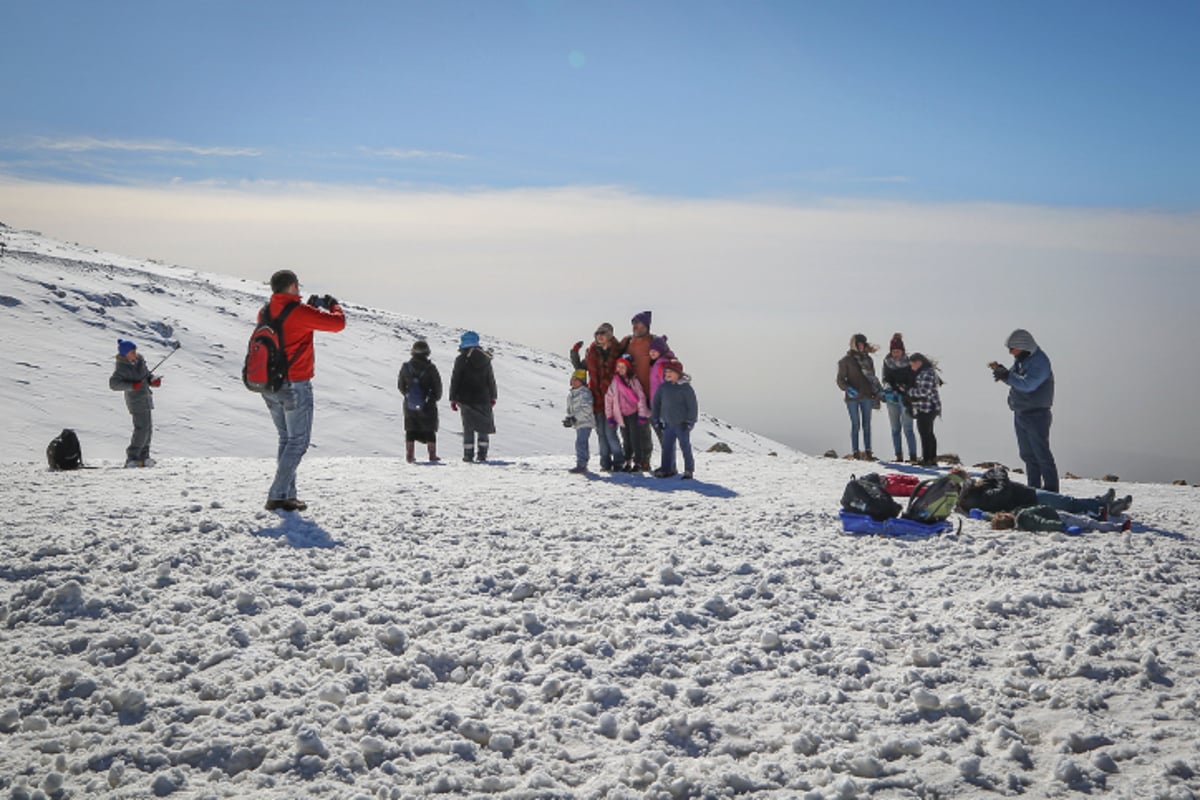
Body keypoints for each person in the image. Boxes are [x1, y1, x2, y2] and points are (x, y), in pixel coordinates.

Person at [259, 270, 345, 511]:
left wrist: (306, 308)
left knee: (286, 439)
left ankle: (287, 495)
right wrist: (333, 305)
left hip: (270, 384)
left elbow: (287, 329)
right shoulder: (301, 313)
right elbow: (338, 324)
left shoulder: (264, 311)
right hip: (295, 384)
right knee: (298, 443)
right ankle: (277, 494)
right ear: (293, 286)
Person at [990, 329, 1058, 492]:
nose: (1011, 352)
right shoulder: (1022, 359)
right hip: (1021, 411)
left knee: (1042, 455)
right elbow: (1015, 380)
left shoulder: (1040, 362)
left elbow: (1028, 385)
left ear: (1023, 346)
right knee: (1028, 455)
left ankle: (1051, 491)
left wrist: (1007, 376)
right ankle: (1033, 489)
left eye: (1013, 348)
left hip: (1036, 413)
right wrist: (1003, 372)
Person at [955, 465, 1132, 518]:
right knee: (1068, 503)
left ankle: (1100, 501)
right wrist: (1000, 473)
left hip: (1027, 497)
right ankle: (1107, 507)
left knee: (1067, 502)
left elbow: (991, 476)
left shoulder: (977, 492)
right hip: (1030, 500)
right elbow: (1003, 490)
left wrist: (995, 474)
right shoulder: (979, 498)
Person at [570, 322, 621, 471]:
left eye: (603, 333)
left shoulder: (618, 351)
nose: (600, 336)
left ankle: (619, 461)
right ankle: (605, 463)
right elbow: (580, 367)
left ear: (610, 334)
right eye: (597, 334)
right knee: (601, 433)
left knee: (610, 433)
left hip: (613, 398)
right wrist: (574, 352)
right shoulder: (592, 352)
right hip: (597, 398)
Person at [109, 338, 161, 467]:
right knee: (141, 429)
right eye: (132, 351)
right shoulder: (121, 368)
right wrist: (132, 386)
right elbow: (114, 384)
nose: (135, 353)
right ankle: (132, 457)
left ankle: (144, 456)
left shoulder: (139, 361)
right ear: (125, 353)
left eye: (135, 350)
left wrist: (153, 380)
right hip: (135, 401)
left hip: (146, 398)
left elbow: (146, 375)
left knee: (148, 429)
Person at [449, 330, 497, 462]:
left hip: (465, 398)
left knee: (468, 427)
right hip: (483, 397)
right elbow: (490, 379)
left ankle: (468, 455)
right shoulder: (486, 359)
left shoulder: (460, 359)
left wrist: (453, 398)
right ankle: (482, 454)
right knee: (483, 426)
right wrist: (493, 396)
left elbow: (455, 379)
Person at [836, 333, 882, 460]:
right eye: (859, 344)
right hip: (852, 398)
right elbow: (840, 379)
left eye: (863, 344)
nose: (861, 346)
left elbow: (873, 378)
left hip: (867, 396)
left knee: (867, 425)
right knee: (855, 425)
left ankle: (868, 452)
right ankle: (856, 452)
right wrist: (848, 389)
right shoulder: (845, 361)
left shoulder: (868, 360)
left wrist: (876, 393)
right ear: (854, 345)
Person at [619, 311, 655, 470]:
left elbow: (669, 359)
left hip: (654, 393)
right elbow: (613, 355)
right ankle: (640, 461)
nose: (635, 326)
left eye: (639, 323)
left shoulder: (655, 341)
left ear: (646, 325)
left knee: (661, 430)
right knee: (638, 431)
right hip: (632, 395)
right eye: (633, 323)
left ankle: (668, 463)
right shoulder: (627, 342)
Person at [651, 359, 698, 479]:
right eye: (666, 371)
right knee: (666, 448)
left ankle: (689, 470)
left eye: (670, 371)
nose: (667, 374)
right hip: (667, 424)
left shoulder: (686, 388)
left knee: (685, 447)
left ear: (678, 373)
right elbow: (656, 403)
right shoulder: (663, 387)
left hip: (682, 424)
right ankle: (666, 469)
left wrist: (690, 421)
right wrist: (656, 419)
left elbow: (692, 405)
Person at [398, 340, 442, 463]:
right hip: (428, 404)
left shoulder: (406, 367)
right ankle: (432, 455)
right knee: (429, 429)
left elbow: (400, 386)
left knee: (410, 428)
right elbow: (437, 388)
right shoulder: (431, 368)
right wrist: (432, 399)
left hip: (410, 404)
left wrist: (408, 396)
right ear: (427, 352)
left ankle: (409, 455)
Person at [604, 354, 651, 472]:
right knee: (626, 440)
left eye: (623, 367)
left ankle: (638, 462)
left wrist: (642, 415)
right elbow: (608, 398)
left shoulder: (633, 381)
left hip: (633, 414)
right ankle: (628, 462)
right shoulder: (615, 382)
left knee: (635, 439)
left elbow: (641, 398)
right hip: (621, 415)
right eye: (618, 366)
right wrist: (610, 416)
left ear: (628, 368)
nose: (620, 369)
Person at [881, 333, 918, 463]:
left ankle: (913, 456)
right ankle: (898, 456)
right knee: (895, 428)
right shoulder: (886, 362)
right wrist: (889, 388)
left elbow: (913, 380)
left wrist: (904, 388)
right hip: (892, 398)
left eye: (898, 351)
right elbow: (885, 378)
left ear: (902, 351)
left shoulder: (909, 363)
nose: (895, 354)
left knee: (908, 428)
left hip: (906, 399)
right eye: (893, 351)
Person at [907, 352, 943, 466]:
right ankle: (931, 458)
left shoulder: (927, 373)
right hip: (928, 407)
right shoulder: (926, 372)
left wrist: (909, 391)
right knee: (929, 433)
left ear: (918, 362)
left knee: (924, 433)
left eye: (912, 364)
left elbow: (924, 391)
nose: (911, 367)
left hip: (927, 407)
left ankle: (927, 458)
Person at [988, 506, 1131, 534]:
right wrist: (1061, 526)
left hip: (1057, 516)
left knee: (1084, 520)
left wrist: (983, 515)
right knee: (1089, 523)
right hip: (1059, 518)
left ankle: (1100, 517)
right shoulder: (1024, 516)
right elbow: (1042, 523)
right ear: (1007, 517)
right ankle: (1118, 528)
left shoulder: (1020, 523)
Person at [564, 369, 595, 474]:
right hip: (578, 422)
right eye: (572, 379)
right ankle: (581, 463)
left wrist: (575, 417)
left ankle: (582, 464)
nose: (573, 382)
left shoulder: (584, 393)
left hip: (585, 422)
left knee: (581, 442)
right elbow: (570, 408)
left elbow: (587, 409)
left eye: (576, 380)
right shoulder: (571, 394)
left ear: (582, 382)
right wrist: (569, 418)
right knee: (580, 442)